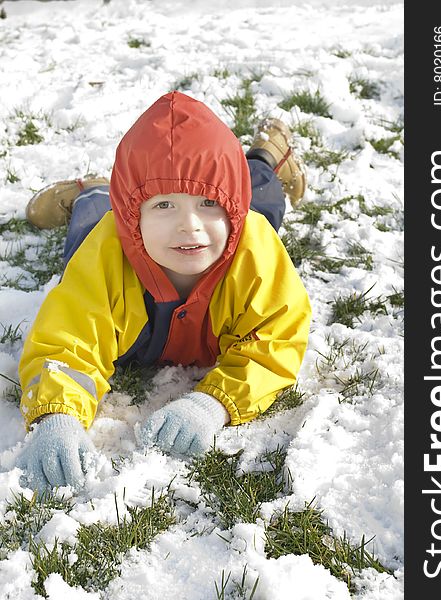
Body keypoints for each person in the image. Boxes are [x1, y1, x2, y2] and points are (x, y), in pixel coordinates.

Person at [16, 91, 311, 492]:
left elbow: (276, 337)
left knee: (262, 203)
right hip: (107, 222)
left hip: (240, 212)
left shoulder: (252, 246)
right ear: (131, 215)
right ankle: (93, 192)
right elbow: (67, 341)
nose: (189, 226)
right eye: (164, 206)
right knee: (91, 223)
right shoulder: (107, 249)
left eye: (209, 203)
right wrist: (58, 416)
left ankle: (266, 158)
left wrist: (213, 405)